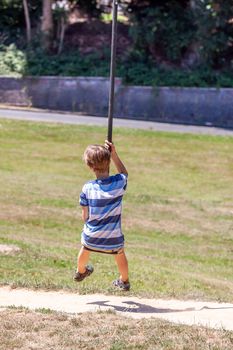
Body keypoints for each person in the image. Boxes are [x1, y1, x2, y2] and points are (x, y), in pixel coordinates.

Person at [73, 140, 130, 291]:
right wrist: (115, 155)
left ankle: (80, 271)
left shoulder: (87, 188)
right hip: (113, 237)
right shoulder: (119, 183)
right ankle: (124, 281)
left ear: (90, 166)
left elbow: (85, 216)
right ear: (109, 161)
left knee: (85, 248)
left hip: (92, 236)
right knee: (120, 253)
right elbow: (124, 174)